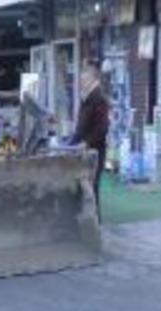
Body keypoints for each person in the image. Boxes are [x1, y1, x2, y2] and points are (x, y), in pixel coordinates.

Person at [69, 61, 110, 218]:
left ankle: (95, 222)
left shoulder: (99, 99)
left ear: (94, 79)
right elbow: (82, 125)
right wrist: (71, 142)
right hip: (83, 149)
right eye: (81, 81)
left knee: (92, 188)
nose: (81, 84)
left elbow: (102, 128)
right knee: (87, 188)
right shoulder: (86, 98)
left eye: (84, 80)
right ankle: (88, 220)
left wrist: (86, 143)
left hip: (94, 151)